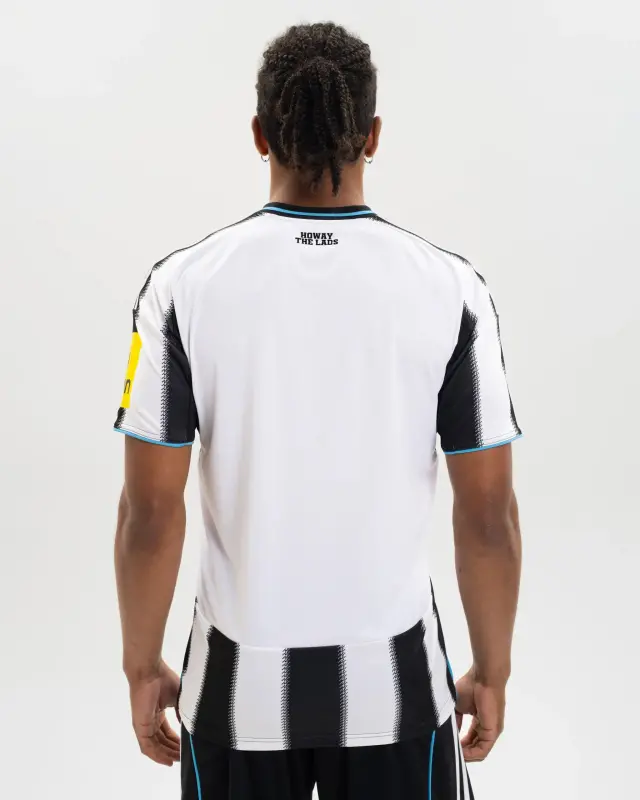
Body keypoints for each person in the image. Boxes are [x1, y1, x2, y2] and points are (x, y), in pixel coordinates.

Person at [113, 21, 522, 800]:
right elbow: (489, 512)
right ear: (373, 136)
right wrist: (492, 671)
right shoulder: (451, 290)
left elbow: (150, 512)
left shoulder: (181, 288)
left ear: (259, 135)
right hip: (398, 691)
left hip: (232, 692)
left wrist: (141, 665)